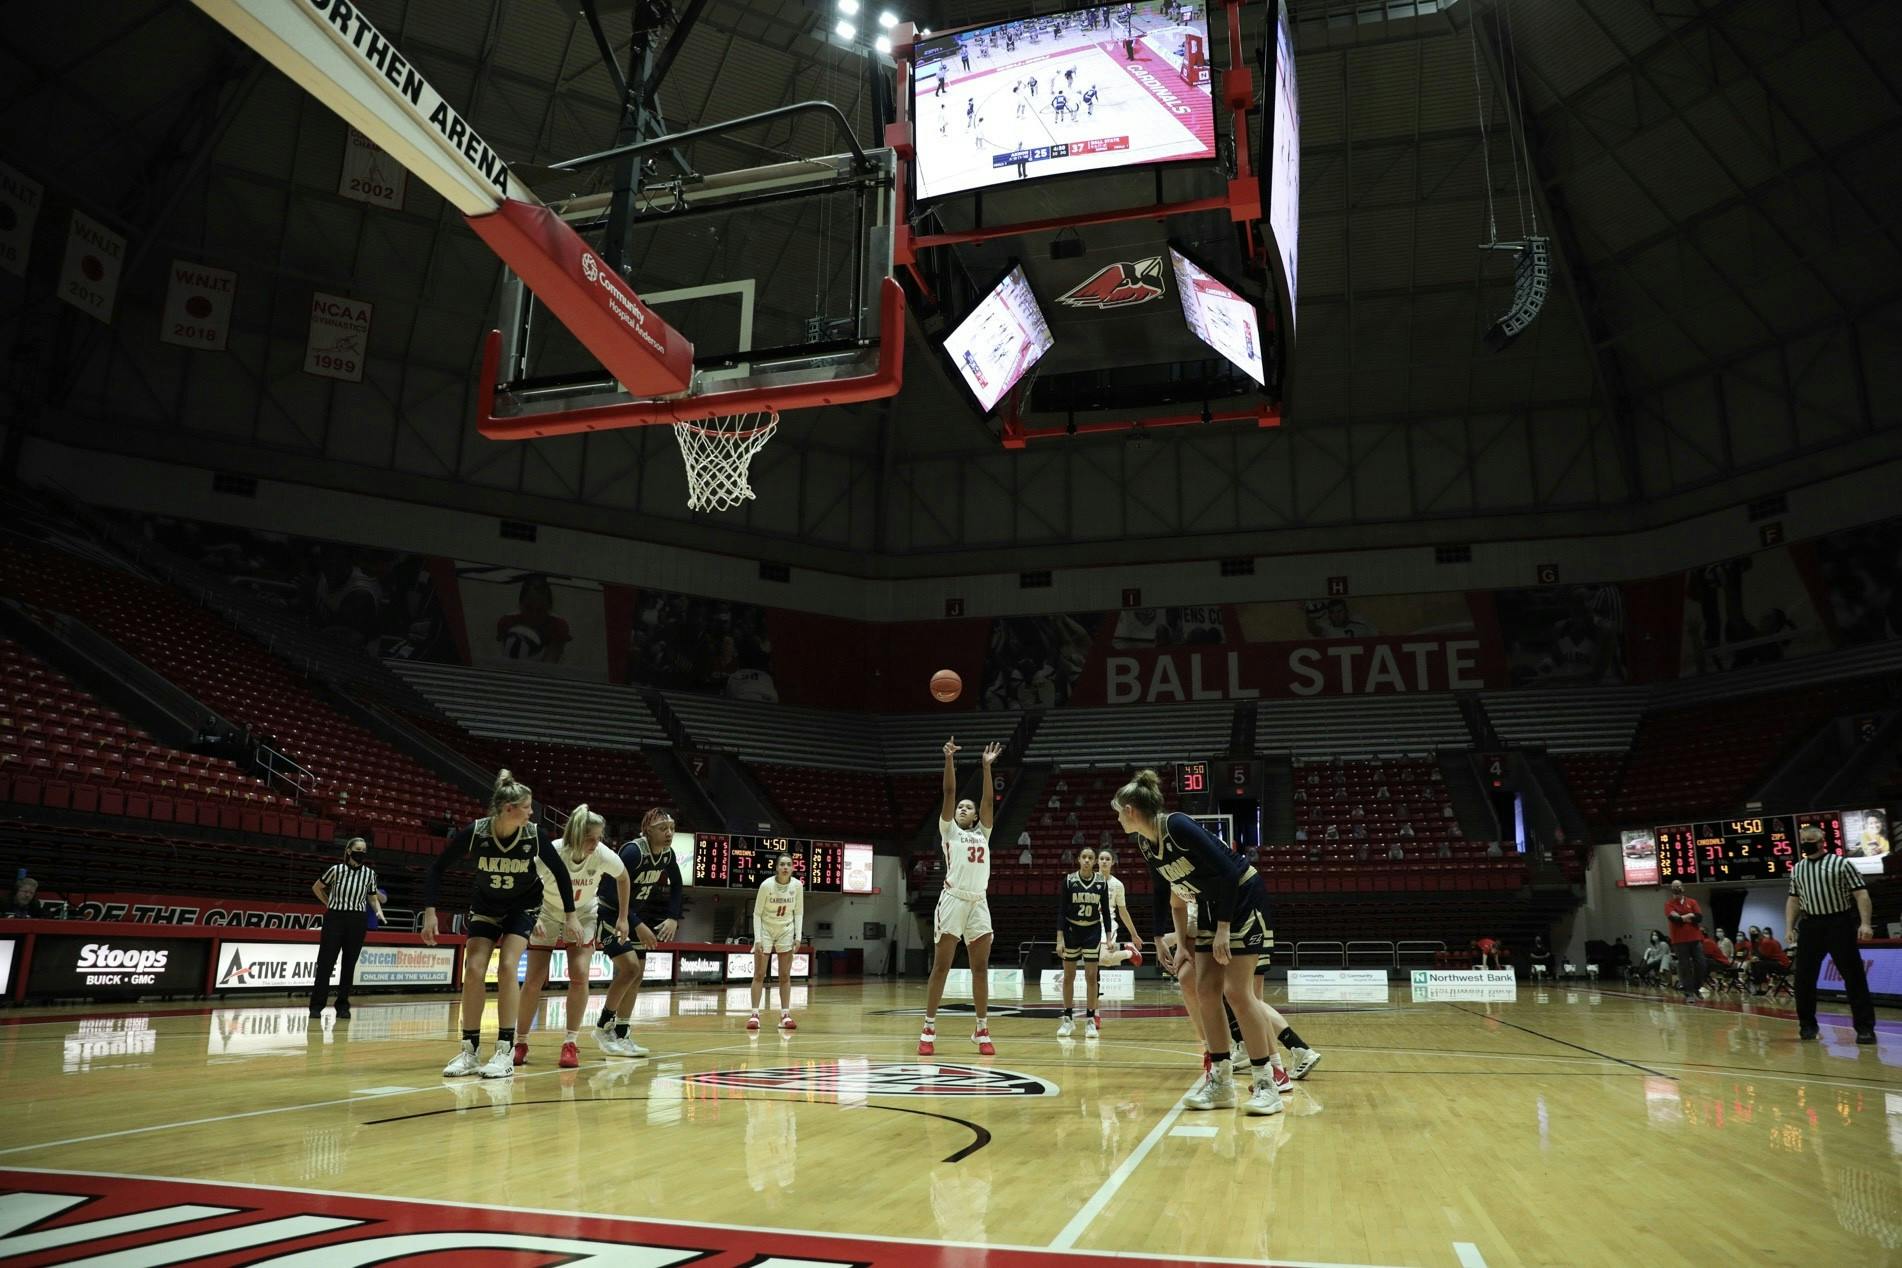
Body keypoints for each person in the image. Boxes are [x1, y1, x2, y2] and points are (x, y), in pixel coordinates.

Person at [1113, 770, 1319, 1115]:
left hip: (1242, 897)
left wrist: (1223, 928)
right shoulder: (1145, 843)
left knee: (1238, 992)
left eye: (1119, 811)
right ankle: (1221, 1083)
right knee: (1204, 988)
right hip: (1209, 904)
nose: (1117, 817)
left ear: (1131, 809)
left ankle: (1267, 1081)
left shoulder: (1177, 825)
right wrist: (1160, 938)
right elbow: (1162, 887)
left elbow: (1227, 871)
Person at [422, 770, 577, 1079]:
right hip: (486, 905)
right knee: (475, 967)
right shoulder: (476, 832)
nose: (532, 812)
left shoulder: (533, 835)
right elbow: (437, 868)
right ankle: (469, 1049)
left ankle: (505, 1049)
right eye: (528, 806)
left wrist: (571, 915)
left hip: (523, 906)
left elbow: (560, 872)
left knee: (507, 965)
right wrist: (429, 912)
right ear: (509, 809)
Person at [513, 804, 629, 1069]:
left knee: (579, 974)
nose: (596, 842)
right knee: (533, 980)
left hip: (584, 914)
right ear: (576, 834)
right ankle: (520, 1042)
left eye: (600, 837)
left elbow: (623, 878)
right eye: (592, 837)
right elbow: (525, 880)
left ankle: (570, 1043)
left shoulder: (601, 854)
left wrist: (623, 917)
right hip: (548, 912)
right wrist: (530, 915)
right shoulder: (552, 851)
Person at [920, 737, 1004, 1058]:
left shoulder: (983, 832)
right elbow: (949, 793)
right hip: (953, 899)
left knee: (979, 968)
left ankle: (981, 1029)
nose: (962, 808)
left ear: (974, 817)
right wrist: (949, 760)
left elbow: (989, 802)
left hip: (978, 902)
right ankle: (928, 1028)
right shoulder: (950, 832)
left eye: (967, 808)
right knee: (941, 966)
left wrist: (986, 767)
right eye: (960, 808)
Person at [594, 807, 685, 1056]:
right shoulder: (633, 852)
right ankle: (603, 1027)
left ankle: (622, 1034)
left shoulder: (667, 854)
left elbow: (677, 884)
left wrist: (672, 917)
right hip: (610, 913)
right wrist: (638, 924)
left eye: (672, 829)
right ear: (647, 830)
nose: (669, 833)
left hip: (632, 916)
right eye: (662, 829)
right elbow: (612, 894)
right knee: (630, 968)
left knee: (637, 975)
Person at [1786, 826, 1877, 1042]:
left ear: (1821, 841)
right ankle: (1807, 1026)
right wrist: (1789, 927)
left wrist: (1866, 924)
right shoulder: (1798, 869)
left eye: (1811, 839)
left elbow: (1861, 894)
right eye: (1803, 839)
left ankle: (1864, 1028)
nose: (1806, 842)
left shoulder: (1842, 863)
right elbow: (1794, 899)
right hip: (1811, 925)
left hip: (1839, 922)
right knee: (1804, 979)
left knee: (1853, 977)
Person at [308, 837, 385, 1019]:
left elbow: (372, 897)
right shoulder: (336, 870)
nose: (362, 853)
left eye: (364, 850)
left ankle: (343, 1005)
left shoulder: (369, 874)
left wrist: (379, 912)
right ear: (349, 851)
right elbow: (317, 887)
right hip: (334, 918)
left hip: (357, 920)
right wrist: (329, 904)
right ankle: (316, 1006)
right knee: (326, 963)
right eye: (358, 849)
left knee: (349, 965)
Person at [748, 851, 804, 1032]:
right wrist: (757, 939)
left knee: (785, 975)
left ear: (793, 868)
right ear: (776, 868)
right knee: (759, 973)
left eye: (789, 864)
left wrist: (798, 936)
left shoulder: (797, 886)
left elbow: (799, 912)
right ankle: (755, 1015)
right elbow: (756, 913)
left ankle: (785, 1015)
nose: (785, 867)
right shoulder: (766, 885)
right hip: (766, 930)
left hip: (786, 929)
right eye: (782, 864)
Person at [1055, 846, 1108, 1038]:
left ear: (1094, 861)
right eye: (1084, 857)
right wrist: (1059, 938)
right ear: (1078, 859)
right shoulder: (1069, 881)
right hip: (1071, 931)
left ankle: (1090, 1020)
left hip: (1092, 930)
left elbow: (1107, 913)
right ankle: (1068, 1019)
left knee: (1091, 977)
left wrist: (1109, 936)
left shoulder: (1101, 883)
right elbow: (1061, 910)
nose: (1087, 860)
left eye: (1090, 857)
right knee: (1068, 976)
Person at [1096, 848, 1143, 968]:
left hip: (1106, 925)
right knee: (1092, 961)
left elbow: (1123, 911)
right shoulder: (1088, 880)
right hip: (1088, 923)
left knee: (1104, 959)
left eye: (1107, 859)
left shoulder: (1117, 884)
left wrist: (1134, 934)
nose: (1104, 861)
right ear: (1097, 861)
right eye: (1102, 859)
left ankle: (1130, 953)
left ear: (1113, 862)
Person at [1664, 880, 1707, 1003]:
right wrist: (1689, 916)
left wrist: (1683, 917)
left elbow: (1698, 918)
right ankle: (1689, 993)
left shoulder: (1692, 902)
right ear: (1671, 889)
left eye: (1678, 886)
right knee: (1685, 966)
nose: (1676, 888)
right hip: (1679, 940)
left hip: (1695, 938)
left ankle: (1696, 987)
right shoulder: (1669, 904)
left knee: (1702, 964)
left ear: (1682, 887)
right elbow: (1675, 919)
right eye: (1674, 886)